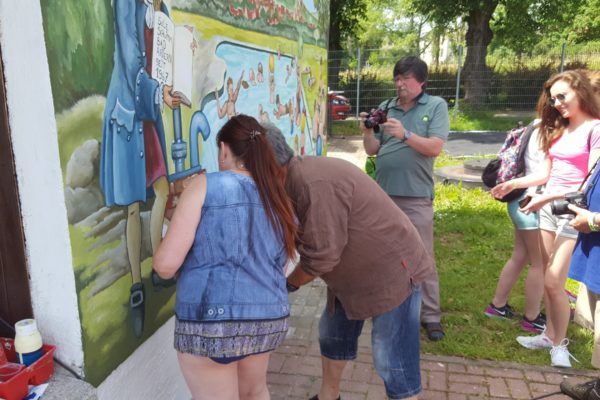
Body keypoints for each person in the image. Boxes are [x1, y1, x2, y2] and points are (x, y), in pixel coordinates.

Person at [263, 123, 435, 400]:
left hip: (391, 270)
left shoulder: (312, 183)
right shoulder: (290, 177)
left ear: (267, 164)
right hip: (349, 275)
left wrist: (287, 286)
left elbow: (322, 256)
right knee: (332, 335)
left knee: (391, 357)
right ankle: (328, 397)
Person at [153, 115, 297, 400]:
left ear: (224, 149)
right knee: (255, 392)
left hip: (210, 323)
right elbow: (282, 263)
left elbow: (165, 266)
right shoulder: (277, 195)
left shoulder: (205, 185)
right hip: (266, 318)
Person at [498, 70, 600, 368]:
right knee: (545, 275)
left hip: (573, 213)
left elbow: (589, 182)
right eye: (553, 98)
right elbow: (545, 174)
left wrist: (547, 197)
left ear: (580, 92)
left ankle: (560, 343)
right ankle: (548, 334)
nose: (557, 103)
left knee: (555, 281)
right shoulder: (560, 129)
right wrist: (514, 184)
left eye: (562, 96)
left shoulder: (595, 129)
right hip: (547, 210)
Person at [100, 0, 182, 338]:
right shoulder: (126, 4)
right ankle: (137, 282)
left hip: (148, 114)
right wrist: (157, 91)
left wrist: (177, 76)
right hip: (129, 114)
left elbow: (165, 61)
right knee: (134, 205)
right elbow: (131, 58)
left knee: (161, 190)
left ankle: (159, 269)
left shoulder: (163, 14)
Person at [361, 55, 450, 341]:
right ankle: (388, 306)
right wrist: (366, 131)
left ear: (421, 81)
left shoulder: (435, 106)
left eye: (405, 79)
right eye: (397, 79)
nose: (400, 84)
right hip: (384, 195)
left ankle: (431, 315)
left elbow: (435, 147)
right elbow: (372, 150)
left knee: (422, 255)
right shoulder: (387, 107)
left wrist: (405, 134)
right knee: (386, 254)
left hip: (415, 196)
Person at [486, 121, 547, 333]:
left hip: (517, 200)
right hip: (531, 200)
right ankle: (532, 317)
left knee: (520, 255)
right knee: (540, 264)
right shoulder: (550, 130)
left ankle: (498, 305)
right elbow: (545, 171)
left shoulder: (533, 125)